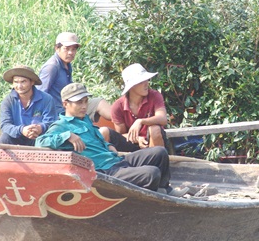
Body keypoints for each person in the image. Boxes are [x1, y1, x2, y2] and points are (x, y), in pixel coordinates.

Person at [35, 83, 187, 196]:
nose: (84, 106)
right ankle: (155, 198)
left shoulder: (84, 119)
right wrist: (67, 136)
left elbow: (95, 139)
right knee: (151, 173)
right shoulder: (60, 126)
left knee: (159, 152)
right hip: (105, 171)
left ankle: (164, 189)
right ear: (65, 104)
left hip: (116, 161)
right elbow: (39, 143)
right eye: (79, 102)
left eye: (85, 101)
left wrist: (107, 145)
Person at [38, 32, 112, 123]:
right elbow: (40, 94)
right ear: (57, 48)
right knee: (99, 104)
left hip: (72, 104)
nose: (70, 53)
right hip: (60, 112)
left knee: (99, 103)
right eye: (66, 49)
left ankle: (126, 125)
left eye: (73, 49)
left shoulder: (67, 64)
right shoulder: (51, 67)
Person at [111, 63, 168, 151]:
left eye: (146, 80)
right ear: (132, 86)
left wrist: (141, 121)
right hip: (132, 145)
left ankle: (158, 159)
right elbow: (121, 135)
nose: (146, 84)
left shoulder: (155, 96)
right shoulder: (117, 106)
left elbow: (163, 119)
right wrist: (137, 139)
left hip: (155, 141)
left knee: (154, 129)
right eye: (141, 82)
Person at [0, 65, 57, 146]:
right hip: (17, 136)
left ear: (32, 82)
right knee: (5, 138)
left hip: (38, 137)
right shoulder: (8, 101)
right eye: (16, 82)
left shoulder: (47, 99)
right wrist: (22, 130)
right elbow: (5, 125)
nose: (19, 86)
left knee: (49, 140)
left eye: (23, 82)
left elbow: (51, 122)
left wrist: (40, 128)